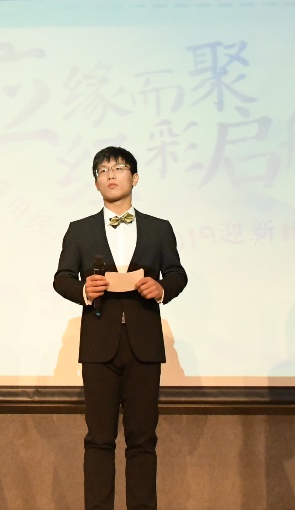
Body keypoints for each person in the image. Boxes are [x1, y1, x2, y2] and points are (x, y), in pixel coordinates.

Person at [53, 146, 187, 510]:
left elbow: (177, 273)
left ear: (135, 177)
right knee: (99, 439)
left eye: (119, 167)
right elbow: (61, 278)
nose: (111, 174)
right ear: (96, 182)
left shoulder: (159, 229)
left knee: (143, 440)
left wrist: (162, 288)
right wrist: (84, 290)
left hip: (144, 345)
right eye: (102, 170)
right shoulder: (79, 230)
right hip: (99, 346)